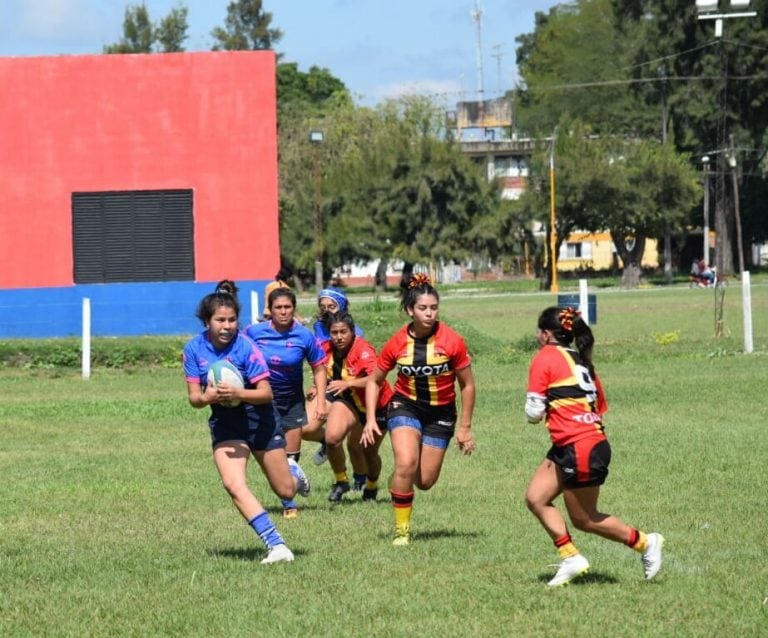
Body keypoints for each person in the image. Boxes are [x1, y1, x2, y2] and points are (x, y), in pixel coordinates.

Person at [524, 306, 664, 586]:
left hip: (580, 446)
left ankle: (646, 543)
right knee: (536, 498)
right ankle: (570, 557)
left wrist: (553, 412)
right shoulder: (582, 361)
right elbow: (599, 408)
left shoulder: (546, 356)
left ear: (546, 334)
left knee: (585, 519)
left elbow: (533, 413)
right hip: (581, 442)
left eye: (539, 332)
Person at [182, 280, 310, 565]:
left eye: (231, 320)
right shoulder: (193, 349)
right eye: (220, 320)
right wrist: (207, 397)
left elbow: (266, 393)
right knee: (233, 483)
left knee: (286, 491)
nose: (227, 326)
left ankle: (291, 470)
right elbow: (193, 398)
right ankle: (276, 545)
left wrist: (238, 393)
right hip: (226, 423)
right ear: (207, 321)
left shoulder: (246, 347)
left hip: (259, 418)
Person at [361, 273, 476, 546]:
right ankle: (402, 531)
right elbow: (374, 381)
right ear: (410, 310)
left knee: (424, 481)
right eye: (423, 308)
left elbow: (467, 386)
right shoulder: (397, 342)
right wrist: (368, 420)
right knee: (406, 462)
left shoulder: (453, 341)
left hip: (441, 413)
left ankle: (399, 478)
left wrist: (466, 428)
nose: (429, 313)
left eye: (434, 307)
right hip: (405, 406)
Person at [246, 287, 328, 518]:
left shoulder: (304, 336)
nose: (283, 312)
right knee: (274, 453)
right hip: (263, 400)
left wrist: (321, 402)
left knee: (290, 457)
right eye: (278, 308)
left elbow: (319, 369)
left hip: (292, 400)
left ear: (294, 309)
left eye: (288, 307)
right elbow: (237, 351)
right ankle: (289, 503)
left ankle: (290, 492)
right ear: (270, 310)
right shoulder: (254, 333)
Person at [320, 311, 392, 503]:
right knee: (332, 438)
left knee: (367, 451)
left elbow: (376, 378)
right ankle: (341, 481)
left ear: (353, 331)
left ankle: (371, 485)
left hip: (378, 406)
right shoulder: (325, 348)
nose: (339, 337)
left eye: (343, 331)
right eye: (334, 332)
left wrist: (349, 384)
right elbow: (318, 369)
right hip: (350, 402)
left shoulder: (363, 350)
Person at [306, 287, 367, 491]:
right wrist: (317, 384)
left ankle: (362, 481)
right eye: (322, 306)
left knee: (355, 447)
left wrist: (350, 384)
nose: (326, 311)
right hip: (332, 384)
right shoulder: (318, 327)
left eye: (331, 306)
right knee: (305, 427)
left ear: (342, 306)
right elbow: (321, 360)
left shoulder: (357, 334)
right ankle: (327, 442)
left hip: (356, 389)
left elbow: (368, 373)